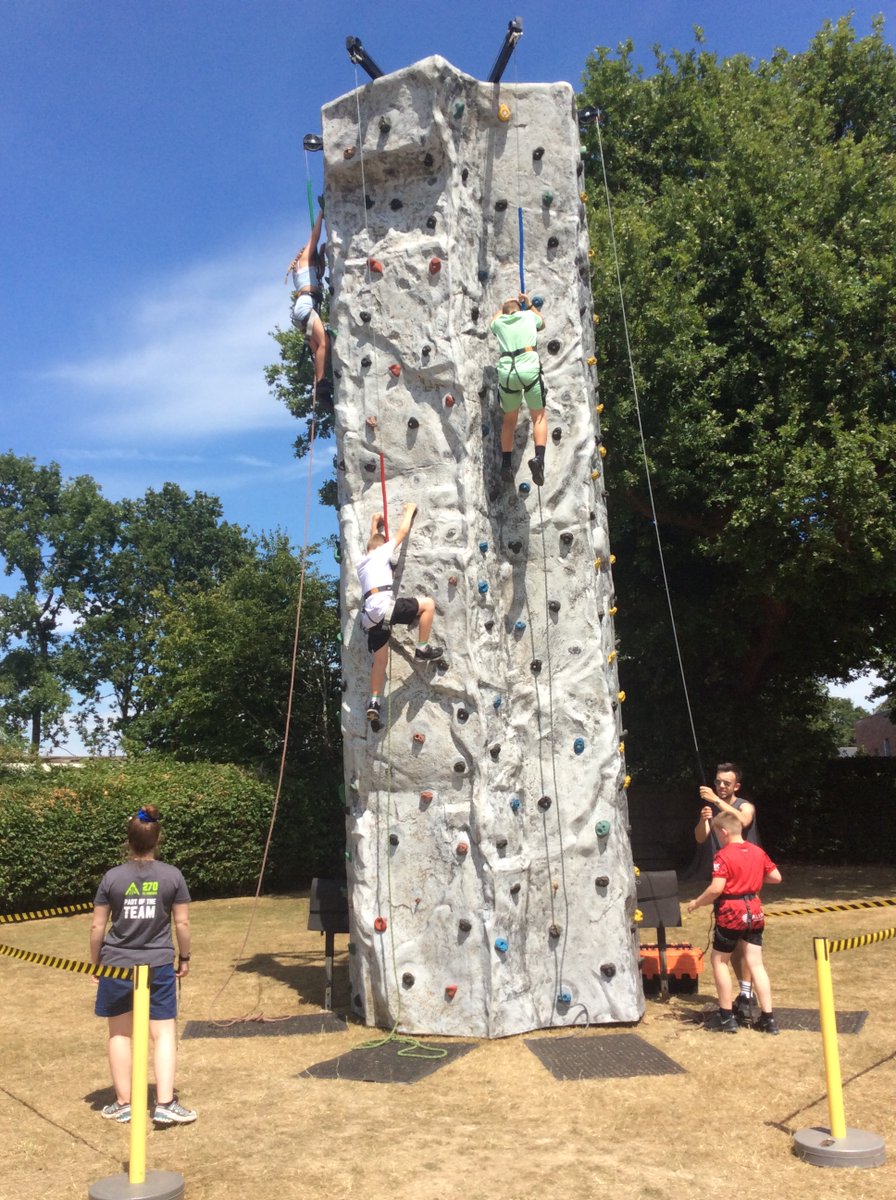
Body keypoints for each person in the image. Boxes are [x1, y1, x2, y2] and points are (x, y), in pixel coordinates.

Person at [89, 805, 196, 1125]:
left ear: (129, 840)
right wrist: (185, 957)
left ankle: (125, 1103)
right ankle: (164, 1102)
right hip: (158, 964)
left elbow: (97, 926)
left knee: (120, 1034)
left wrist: (95, 964)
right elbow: (183, 923)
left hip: (116, 965)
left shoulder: (112, 877)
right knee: (163, 1034)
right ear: (157, 839)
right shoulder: (172, 875)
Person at [687, 810, 782, 1034]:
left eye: (717, 834)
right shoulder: (757, 851)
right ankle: (768, 1019)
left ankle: (726, 1016)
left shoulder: (723, 855)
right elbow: (776, 877)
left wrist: (697, 903)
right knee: (756, 964)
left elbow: (716, 889)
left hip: (732, 912)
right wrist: (753, 877)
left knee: (719, 961)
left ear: (724, 831)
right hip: (754, 912)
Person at [357, 503, 443, 722]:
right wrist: (409, 511)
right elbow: (402, 533)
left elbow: (373, 543)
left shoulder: (363, 563)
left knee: (380, 661)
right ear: (382, 547)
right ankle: (422, 648)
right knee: (428, 605)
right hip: (384, 608)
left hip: (370, 618)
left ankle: (374, 702)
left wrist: (374, 523)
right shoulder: (381, 553)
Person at [693, 762, 760, 1022]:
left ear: (736, 786)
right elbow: (700, 838)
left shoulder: (744, 805)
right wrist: (704, 819)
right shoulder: (713, 808)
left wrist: (716, 801)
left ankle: (747, 995)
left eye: (726, 783)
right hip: (722, 881)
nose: (721, 786)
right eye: (718, 782)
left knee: (746, 944)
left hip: (744, 883)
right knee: (731, 944)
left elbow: (743, 820)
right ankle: (744, 994)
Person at [490, 291, 548, 486]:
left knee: (509, 420)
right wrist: (529, 304)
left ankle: (506, 465)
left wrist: (503, 306)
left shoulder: (499, 323)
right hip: (528, 370)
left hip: (508, 374)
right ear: (519, 309)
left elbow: (494, 320)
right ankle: (539, 459)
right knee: (538, 416)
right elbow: (542, 322)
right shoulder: (529, 316)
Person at [286, 208, 332, 404]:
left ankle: (320, 386)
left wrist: (321, 254)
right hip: (305, 307)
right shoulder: (304, 259)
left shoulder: (305, 270)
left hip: (302, 310)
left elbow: (319, 273)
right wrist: (321, 215)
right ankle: (320, 385)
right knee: (324, 343)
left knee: (318, 349)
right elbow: (315, 236)